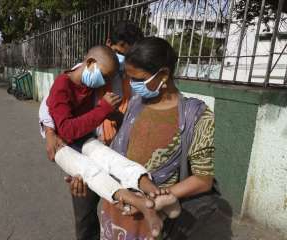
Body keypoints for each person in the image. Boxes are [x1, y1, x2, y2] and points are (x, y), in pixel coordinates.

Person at [71, 37, 219, 240]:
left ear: (164, 74)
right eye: (129, 78)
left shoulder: (197, 115)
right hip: (115, 212)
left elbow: (203, 180)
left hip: (154, 221)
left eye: (139, 80)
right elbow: (116, 156)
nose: (132, 85)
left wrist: (156, 198)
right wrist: (86, 174)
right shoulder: (135, 103)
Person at [47, 45, 180, 239]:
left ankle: (155, 194)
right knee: (90, 171)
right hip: (63, 146)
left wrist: (113, 113)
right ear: (90, 63)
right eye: (105, 76)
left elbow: (106, 116)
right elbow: (66, 130)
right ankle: (140, 202)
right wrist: (102, 109)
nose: (106, 82)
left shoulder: (90, 85)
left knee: (111, 159)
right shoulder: (62, 85)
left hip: (86, 140)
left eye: (110, 78)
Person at [39, 21, 144, 240]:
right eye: (118, 53)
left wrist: (116, 115)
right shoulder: (89, 73)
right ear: (108, 44)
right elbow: (51, 110)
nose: (122, 61)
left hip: (116, 149)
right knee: (85, 214)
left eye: (128, 56)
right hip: (83, 145)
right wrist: (50, 132)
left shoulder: (130, 77)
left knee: (119, 215)